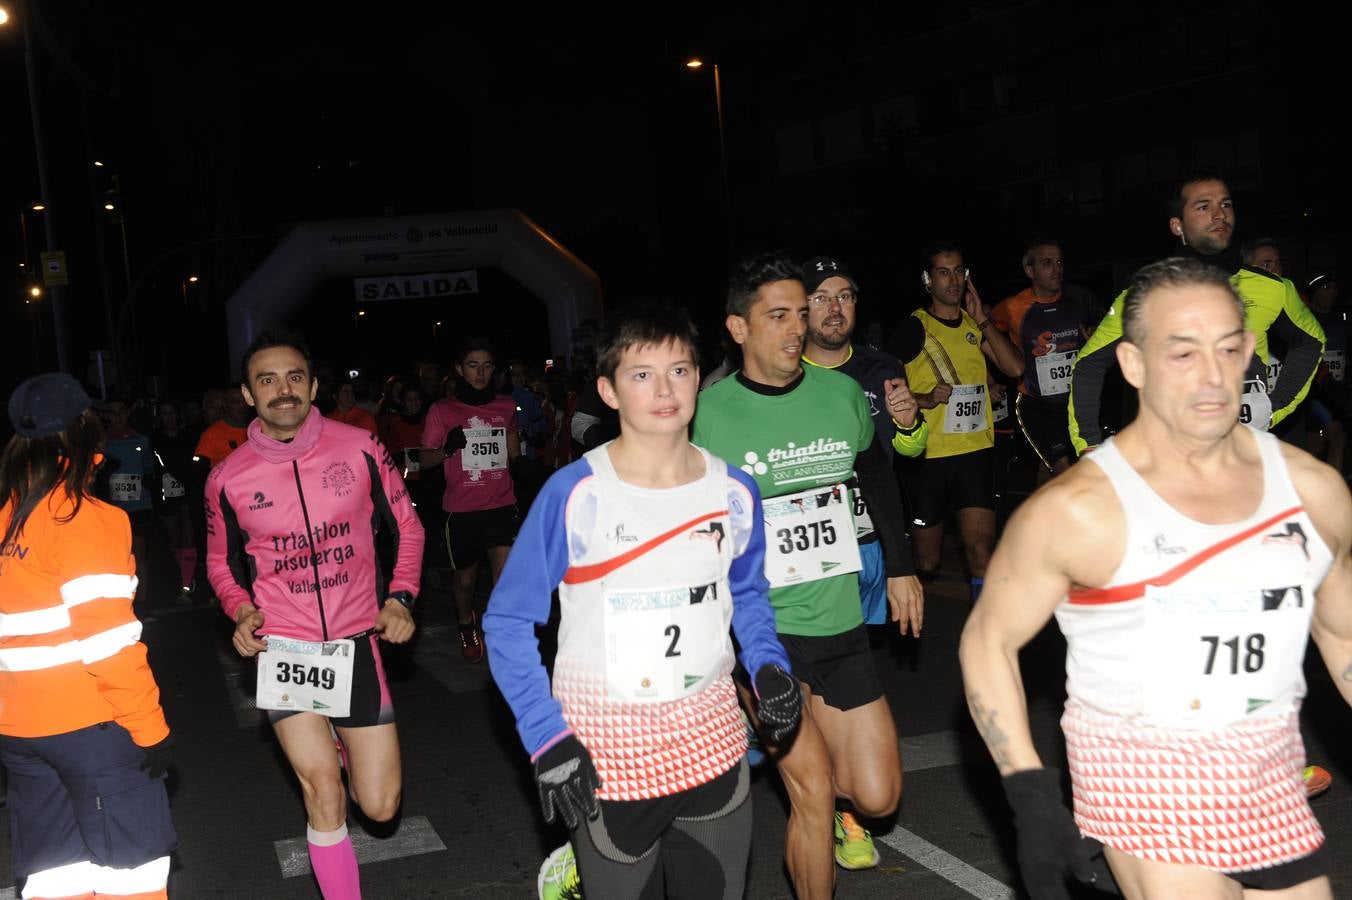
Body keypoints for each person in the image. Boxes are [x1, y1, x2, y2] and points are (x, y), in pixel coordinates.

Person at [960, 257, 1349, 899]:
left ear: (1251, 350)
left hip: (1271, 787)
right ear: (1133, 364)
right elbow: (987, 641)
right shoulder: (1078, 509)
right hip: (1147, 791)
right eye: (1182, 354)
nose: (1212, 375)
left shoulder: (1313, 490)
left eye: (1228, 349)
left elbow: (1342, 636)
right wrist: (1029, 792)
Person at [485, 304, 800, 899]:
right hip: (607, 764)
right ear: (607, 391)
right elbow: (505, 623)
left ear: (698, 378)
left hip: (713, 751)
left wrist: (768, 664)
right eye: (641, 375)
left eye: (679, 371)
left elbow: (748, 592)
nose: (664, 389)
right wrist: (546, 737)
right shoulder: (575, 494)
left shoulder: (734, 491)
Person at [693, 253, 917, 899]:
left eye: (802, 312)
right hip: (762, 636)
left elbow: (874, 472)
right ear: (738, 327)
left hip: (840, 623)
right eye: (779, 315)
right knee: (813, 793)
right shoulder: (707, 417)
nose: (797, 328)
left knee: (877, 797)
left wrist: (900, 569)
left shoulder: (842, 393)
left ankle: (748, 748)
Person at [206, 331, 424, 900]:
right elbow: (220, 563)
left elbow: (408, 527)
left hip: (356, 643)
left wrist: (400, 597)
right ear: (248, 396)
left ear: (315, 387)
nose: (283, 390)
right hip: (287, 651)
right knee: (323, 793)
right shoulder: (227, 478)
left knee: (379, 807)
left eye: (295, 377)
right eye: (267, 380)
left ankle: (345, 745)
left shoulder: (359, 446)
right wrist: (240, 607)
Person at [0, 373, 177, 900]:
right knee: (134, 878)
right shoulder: (85, 518)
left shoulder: (7, 516)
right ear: (85, 431)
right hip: (90, 726)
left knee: (59, 881)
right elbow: (109, 643)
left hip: (19, 732)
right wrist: (151, 731)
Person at [1068, 170, 1325, 454]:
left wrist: (1275, 406)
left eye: (1225, 205)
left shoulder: (1273, 288)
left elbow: (1310, 342)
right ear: (1177, 226)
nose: (1220, 215)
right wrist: (1088, 443)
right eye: (1204, 206)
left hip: (1245, 456)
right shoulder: (1145, 295)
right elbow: (1089, 364)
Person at [800, 255, 927, 632]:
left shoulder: (883, 366)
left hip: (872, 538)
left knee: (856, 655)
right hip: (810, 547)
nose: (834, 309)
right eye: (820, 298)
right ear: (801, 308)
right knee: (827, 663)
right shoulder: (785, 376)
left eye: (844, 297)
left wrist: (910, 424)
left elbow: (909, 450)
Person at [895, 242, 1025, 604]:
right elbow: (882, 386)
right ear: (927, 280)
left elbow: (1015, 368)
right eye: (943, 272)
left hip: (975, 453)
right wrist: (922, 398)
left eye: (959, 271)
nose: (953, 280)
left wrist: (983, 319)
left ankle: (986, 637)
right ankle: (901, 585)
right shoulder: (913, 328)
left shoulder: (973, 324)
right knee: (928, 560)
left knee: (982, 551)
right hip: (929, 459)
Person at [420, 338, 521, 663]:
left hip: (501, 504)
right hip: (461, 510)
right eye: (473, 365)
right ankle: (466, 624)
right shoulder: (442, 410)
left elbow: (513, 448)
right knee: (465, 580)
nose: (481, 372)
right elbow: (423, 460)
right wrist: (447, 448)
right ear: (460, 369)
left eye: (487, 365)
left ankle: (502, 632)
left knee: (504, 577)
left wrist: (524, 464)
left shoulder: (505, 406)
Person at [991, 239, 1099, 478]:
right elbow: (980, 336)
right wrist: (989, 378)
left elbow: (1100, 328)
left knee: (1050, 468)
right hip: (1036, 405)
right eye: (1047, 263)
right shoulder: (1011, 307)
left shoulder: (1080, 298)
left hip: (1077, 403)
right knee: (1063, 468)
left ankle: (1038, 513)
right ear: (1030, 271)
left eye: (1059, 262)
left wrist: (1094, 335)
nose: (1057, 268)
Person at [194, 384, 252, 468]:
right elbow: (200, 467)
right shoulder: (212, 433)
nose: (242, 406)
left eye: (244, 400)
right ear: (225, 405)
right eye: (235, 402)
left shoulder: (259, 428)